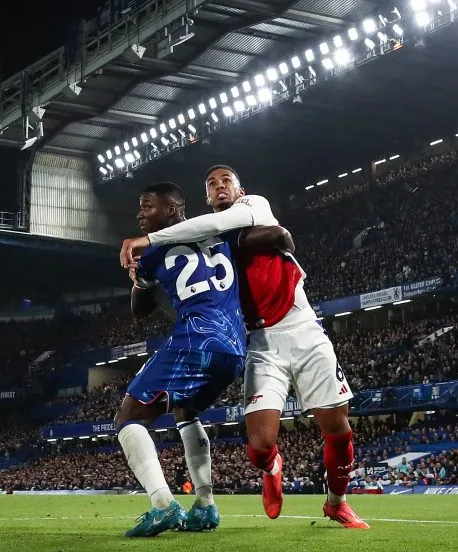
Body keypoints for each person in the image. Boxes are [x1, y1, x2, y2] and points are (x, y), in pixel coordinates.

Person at [120, 166, 368, 529]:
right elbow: (265, 235)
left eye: (226, 181)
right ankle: (244, 482)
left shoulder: (252, 206)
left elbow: (275, 232)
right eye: (211, 184)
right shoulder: (222, 237)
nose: (220, 186)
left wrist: (149, 246)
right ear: (205, 199)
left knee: (337, 427)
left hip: (302, 331)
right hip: (254, 343)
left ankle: (338, 501)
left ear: (240, 189)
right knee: (257, 445)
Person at [116, 181, 290, 537]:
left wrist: (138, 279)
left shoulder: (151, 251)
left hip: (195, 340)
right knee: (185, 412)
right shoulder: (225, 233)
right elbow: (273, 235)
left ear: (172, 210)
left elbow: (139, 311)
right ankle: (205, 505)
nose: (139, 214)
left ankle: (163, 505)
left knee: (128, 416)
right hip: (234, 349)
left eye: (147, 206)